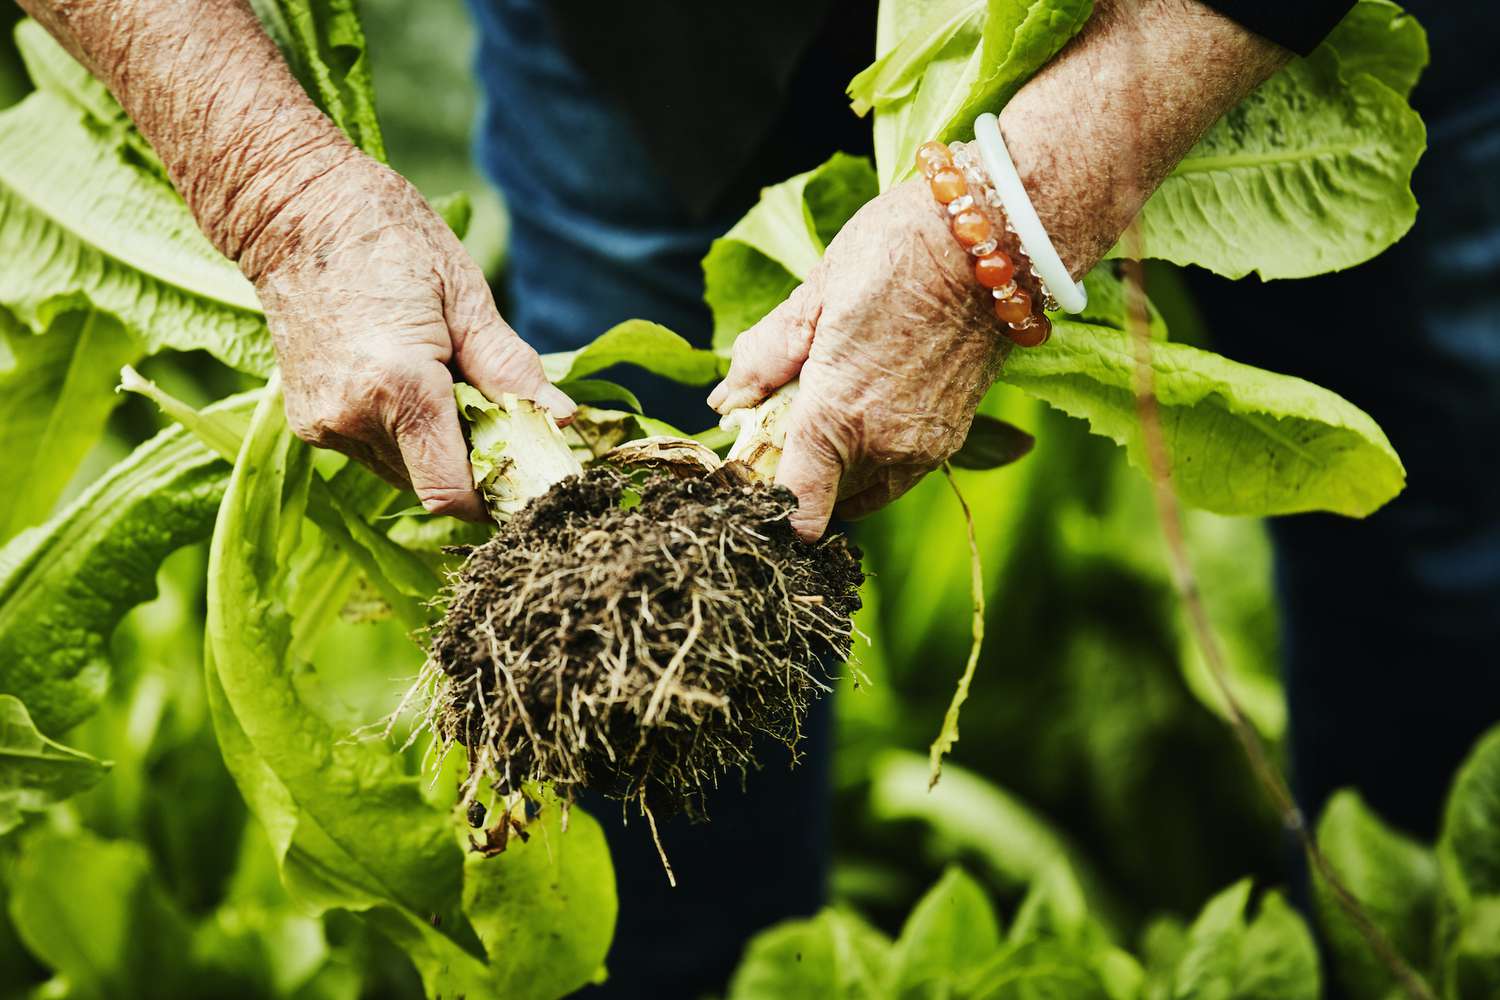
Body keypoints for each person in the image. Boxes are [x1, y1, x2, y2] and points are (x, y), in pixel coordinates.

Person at [23, 1, 1492, 996]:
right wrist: (283, 202)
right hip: (661, 42)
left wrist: (1020, 212)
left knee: (1444, 556)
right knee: (654, 763)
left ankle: (1422, 930)